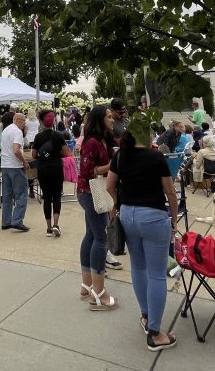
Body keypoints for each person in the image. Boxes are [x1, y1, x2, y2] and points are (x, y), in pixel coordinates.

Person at [107, 127, 178, 350]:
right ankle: (155, 333)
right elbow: (170, 191)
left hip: (128, 214)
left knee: (138, 267)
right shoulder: (156, 157)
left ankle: (146, 316)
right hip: (153, 215)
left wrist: (119, 204)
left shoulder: (120, 155)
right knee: (157, 274)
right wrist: (174, 219)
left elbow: (109, 186)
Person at [77, 105, 117, 308]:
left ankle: (87, 284)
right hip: (90, 192)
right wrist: (112, 165)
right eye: (109, 117)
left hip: (92, 192)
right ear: (99, 119)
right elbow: (87, 171)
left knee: (91, 235)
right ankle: (98, 292)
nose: (112, 120)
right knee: (101, 238)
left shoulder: (103, 140)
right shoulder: (92, 142)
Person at [31, 109, 72, 237]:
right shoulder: (59, 136)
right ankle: (56, 224)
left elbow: (33, 155)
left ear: (42, 122)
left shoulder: (38, 137)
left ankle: (48, 228)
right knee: (57, 197)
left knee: (47, 197)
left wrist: (43, 155)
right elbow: (65, 153)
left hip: (43, 169)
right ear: (53, 121)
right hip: (56, 168)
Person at [0, 110, 31, 232]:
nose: (25, 124)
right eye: (24, 121)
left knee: (7, 195)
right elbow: (16, 150)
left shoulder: (6, 130)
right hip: (15, 166)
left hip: (5, 165)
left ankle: (6, 221)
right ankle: (17, 220)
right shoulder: (17, 132)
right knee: (21, 194)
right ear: (18, 120)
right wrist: (24, 162)